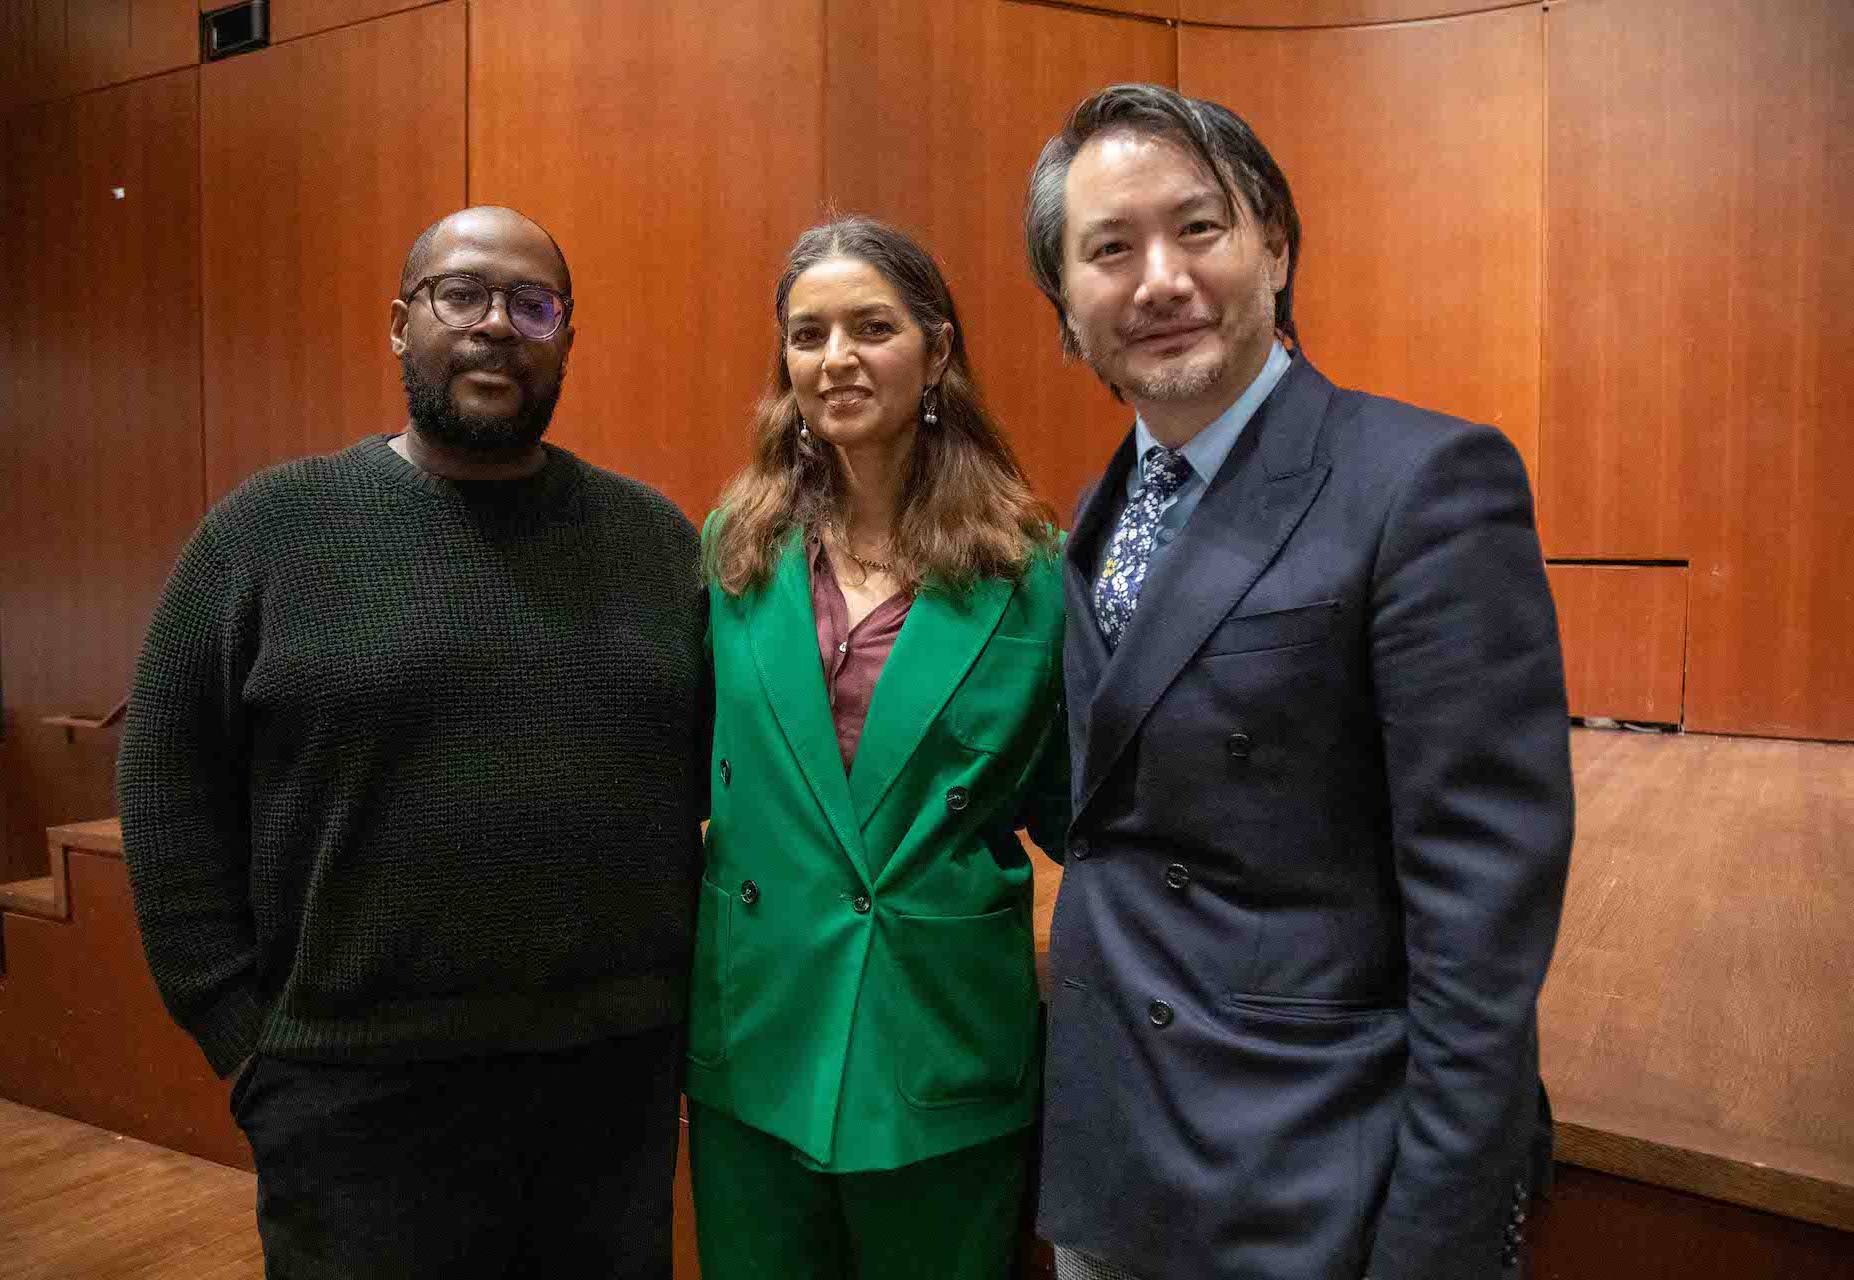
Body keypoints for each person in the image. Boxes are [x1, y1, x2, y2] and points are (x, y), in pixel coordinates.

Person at [1022, 85, 1573, 1280]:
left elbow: (1481, 924)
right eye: (1109, 250)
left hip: (1316, 1170)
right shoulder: (1100, 508)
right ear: (1066, 309)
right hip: (1117, 1158)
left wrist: (1442, 1236)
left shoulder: (1425, 482)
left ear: (1274, 239)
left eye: (1199, 229)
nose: (1159, 279)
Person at [118, 205, 706, 1280]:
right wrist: (241, 1035)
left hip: (609, 1096)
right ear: (400, 323)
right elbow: (165, 781)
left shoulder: (656, 541)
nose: (497, 326)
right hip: (353, 1098)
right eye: (462, 293)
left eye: (533, 305)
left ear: (566, 339)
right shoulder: (269, 529)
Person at [683, 216, 1068, 1280]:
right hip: (760, 1022)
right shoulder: (735, 549)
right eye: (808, 335)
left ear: (937, 352)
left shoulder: (1031, 568)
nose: (836, 358)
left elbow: (1082, 803)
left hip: (938, 1032)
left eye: (872, 327)